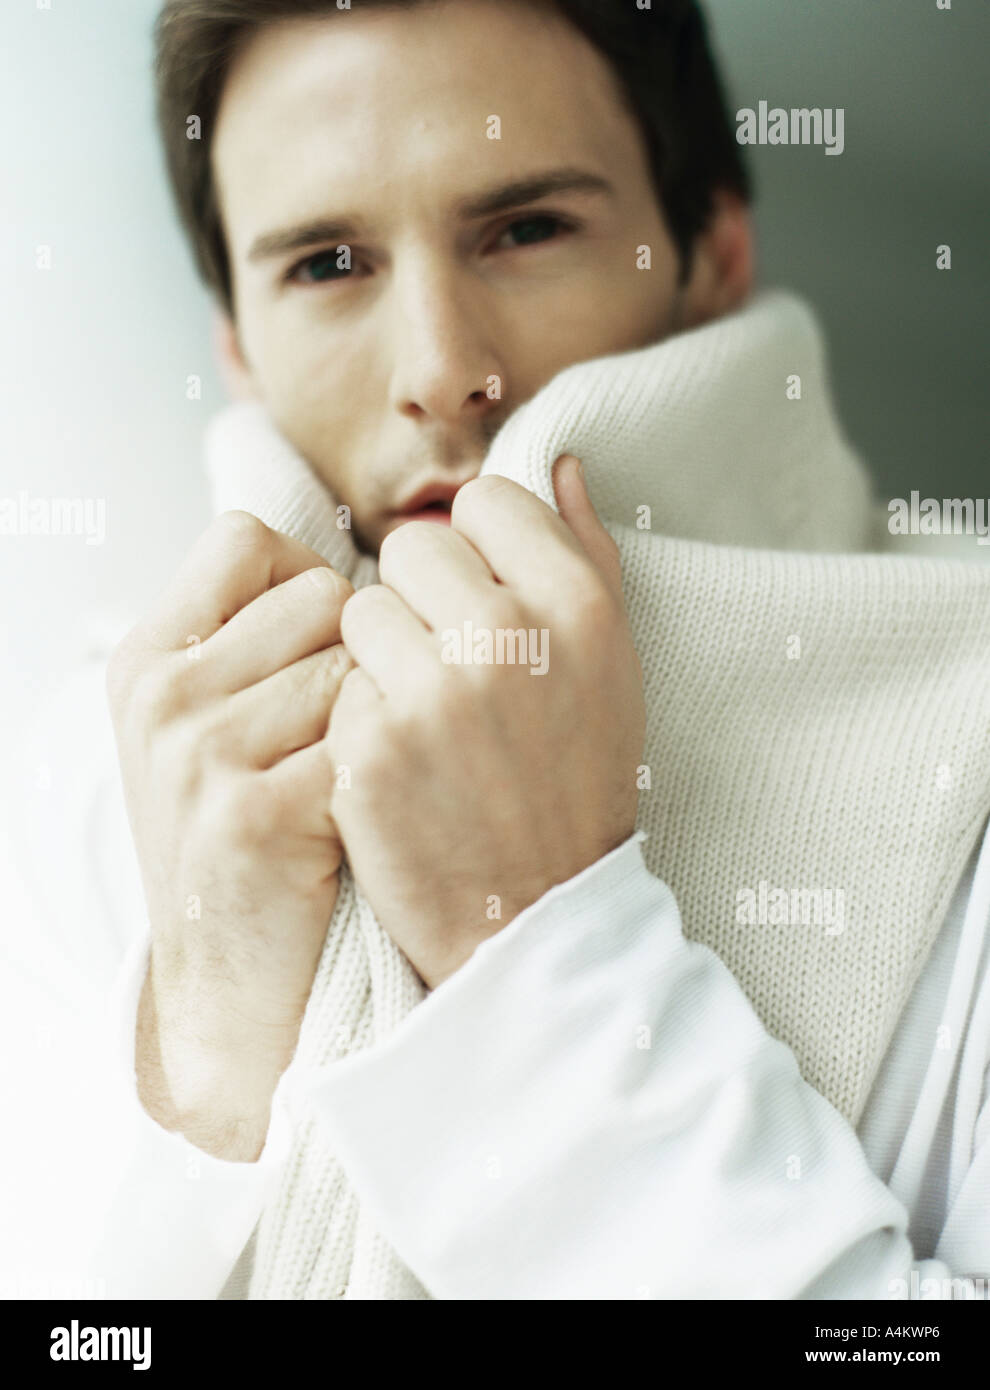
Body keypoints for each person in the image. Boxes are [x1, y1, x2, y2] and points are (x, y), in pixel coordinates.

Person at [1, 0, 987, 1301]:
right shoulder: (90, 779)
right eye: (326, 264)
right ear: (235, 349)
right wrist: (206, 1045)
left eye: (525, 230)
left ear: (712, 254)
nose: (440, 368)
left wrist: (533, 950)